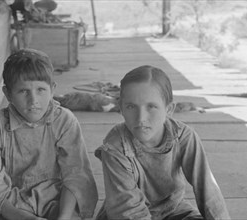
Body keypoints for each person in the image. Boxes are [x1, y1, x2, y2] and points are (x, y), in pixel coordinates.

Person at [95, 65, 230, 220]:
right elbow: (128, 210)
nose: (141, 118)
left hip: (173, 210)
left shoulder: (183, 137)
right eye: (131, 107)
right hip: (127, 214)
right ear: (121, 109)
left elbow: (208, 190)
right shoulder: (115, 147)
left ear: (168, 109)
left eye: (151, 107)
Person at [0, 49, 98, 220]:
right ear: (8, 94)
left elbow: (76, 174)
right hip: (14, 201)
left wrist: (63, 217)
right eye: (23, 91)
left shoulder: (64, 120)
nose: (33, 100)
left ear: (52, 89)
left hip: (56, 197)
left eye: (41, 89)